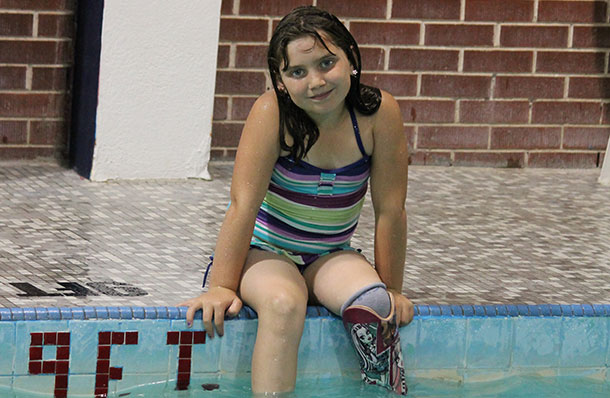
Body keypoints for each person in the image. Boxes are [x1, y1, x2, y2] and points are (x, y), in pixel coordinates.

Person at [180, 5, 413, 396]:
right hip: (265, 252)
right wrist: (221, 285)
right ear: (282, 82)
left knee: (375, 307)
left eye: (327, 63)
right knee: (285, 303)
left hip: (330, 254)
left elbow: (391, 211)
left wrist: (392, 289)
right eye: (297, 72)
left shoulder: (377, 114)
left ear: (351, 59)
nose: (316, 81)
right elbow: (242, 206)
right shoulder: (272, 114)